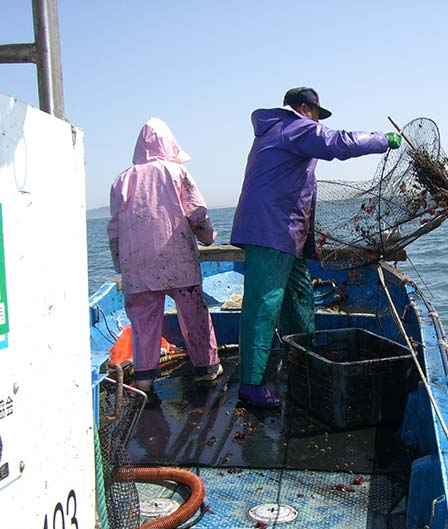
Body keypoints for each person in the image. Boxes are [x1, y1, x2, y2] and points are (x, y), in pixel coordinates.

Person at [231, 87, 402, 408]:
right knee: (263, 307)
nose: (316, 121)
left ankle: (303, 357)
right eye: (315, 114)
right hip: (272, 230)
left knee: (298, 297)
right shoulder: (294, 126)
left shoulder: (278, 131)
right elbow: (338, 142)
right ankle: (251, 385)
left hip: (287, 231)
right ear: (303, 108)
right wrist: (382, 140)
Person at [108, 118, 222, 393]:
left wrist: (120, 263)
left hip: (137, 267)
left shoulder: (122, 179)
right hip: (178, 262)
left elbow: (114, 228)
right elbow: (196, 212)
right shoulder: (177, 172)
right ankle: (207, 367)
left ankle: (145, 381)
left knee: (143, 323)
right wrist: (208, 238)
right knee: (194, 314)